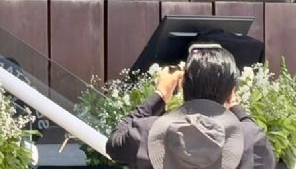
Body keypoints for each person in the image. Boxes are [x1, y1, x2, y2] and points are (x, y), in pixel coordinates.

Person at [107, 43, 275, 169]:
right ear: (231, 91)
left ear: (183, 83)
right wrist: (236, 107)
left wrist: (160, 94)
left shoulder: (149, 131)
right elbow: (268, 161)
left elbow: (115, 143)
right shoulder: (249, 137)